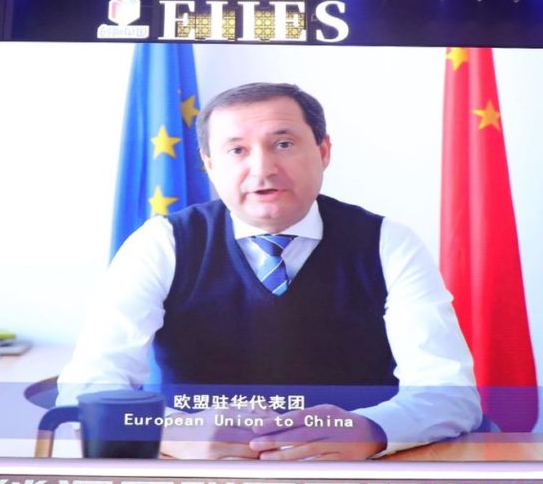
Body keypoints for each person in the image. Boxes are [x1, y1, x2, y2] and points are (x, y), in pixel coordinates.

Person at [58, 82, 482, 459]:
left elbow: (451, 395)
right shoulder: (162, 242)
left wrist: (373, 430)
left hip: (353, 474)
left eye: (283, 144)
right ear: (209, 165)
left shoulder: (388, 242)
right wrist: (168, 431)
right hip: (201, 477)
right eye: (236, 150)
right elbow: (89, 386)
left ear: (323, 152)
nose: (262, 169)